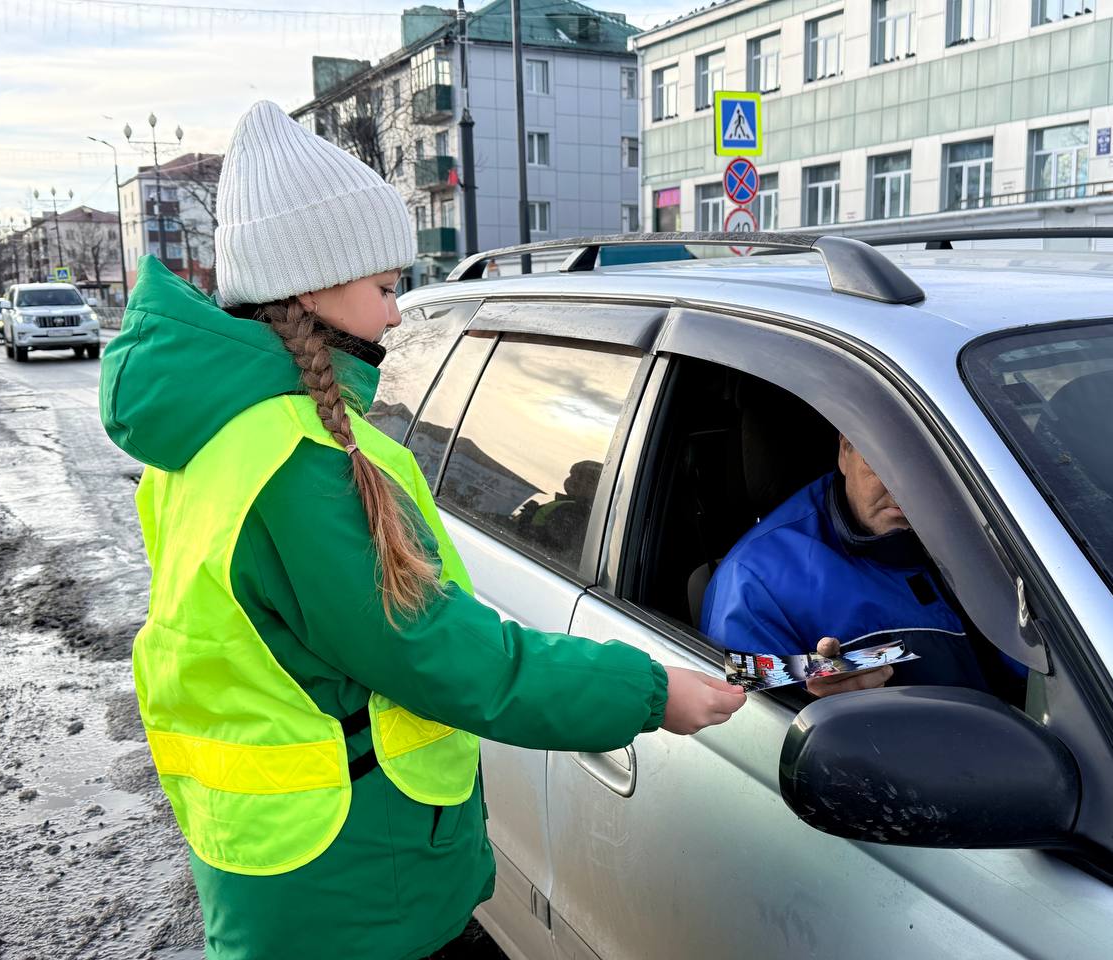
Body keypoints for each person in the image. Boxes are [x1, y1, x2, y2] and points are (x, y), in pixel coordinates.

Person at [99, 101, 745, 960]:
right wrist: (648, 692)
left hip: (297, 859)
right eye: (383, 287)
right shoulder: (299, 462)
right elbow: (437, 651)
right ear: (311, 286)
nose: (399, 313)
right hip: (349, 884)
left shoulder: (221, 433)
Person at [701, 432, 992, 698]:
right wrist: (815, 700)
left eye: (929, 465)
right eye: (882, 461)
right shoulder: (753, 580)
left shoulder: (995, 521)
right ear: (845, 450)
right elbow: (744, 715)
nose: (903, 488)